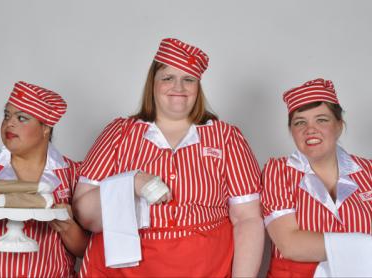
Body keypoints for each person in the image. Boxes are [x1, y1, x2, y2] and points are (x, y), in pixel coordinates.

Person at [73, 38, 264, 277]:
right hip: (125, 271)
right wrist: (132, 182)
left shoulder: (226, 138)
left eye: (188, 79)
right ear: (152, 84)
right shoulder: (119, 134)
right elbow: (83, 215)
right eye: (167, 78)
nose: (179, 87)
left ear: (198, 87)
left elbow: (247, 220)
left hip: (207, 270)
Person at [0, 81, 89, 277]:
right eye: (6, 115)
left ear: (46, 128)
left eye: (22, 117)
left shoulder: (74, 175)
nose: (10, 123)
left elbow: (90, 252)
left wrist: (67, 226)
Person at [261, 78, 372, 277]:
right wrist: (366, 246)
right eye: (300, 122)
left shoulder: (369, 171)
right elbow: (290, 245)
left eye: (322, 119)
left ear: (339, 125)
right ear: (291, 130)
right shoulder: (277, 172)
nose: (310, 129)